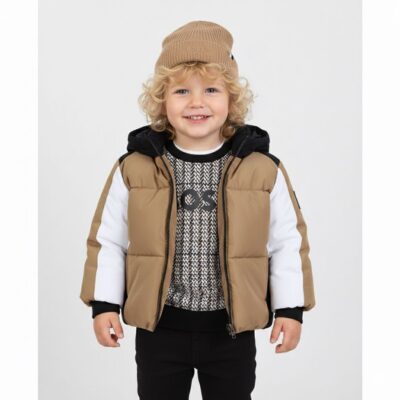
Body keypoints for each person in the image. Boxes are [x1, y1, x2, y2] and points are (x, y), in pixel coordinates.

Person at [79, 20, 316, 400]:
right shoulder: (135, 167)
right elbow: (107, 239)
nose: (196, 102)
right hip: (160, 329)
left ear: (232, 99)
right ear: (161, 100)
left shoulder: (261, 169)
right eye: (181, 91)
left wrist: (290, 309)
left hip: (231, 332)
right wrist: (104, 304)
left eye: (211, 89)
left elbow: (288, 241)